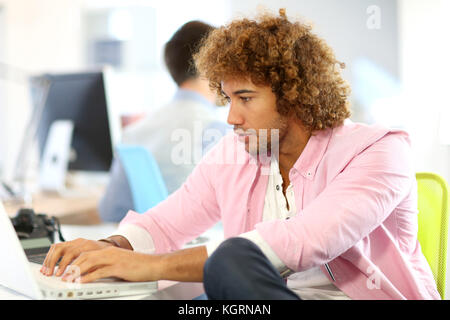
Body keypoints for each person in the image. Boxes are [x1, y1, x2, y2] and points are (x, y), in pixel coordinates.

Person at [40, 9, 440, 300]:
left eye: (246, 98)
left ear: (296, 96)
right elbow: (167, 222)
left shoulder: (380, 150)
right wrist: (111, 248)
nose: (231, 117)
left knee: (230, 261)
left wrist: (150, 266)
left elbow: (299, 243)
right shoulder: (237, 152)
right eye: (228, 98)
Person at [98, 20, 229, 222]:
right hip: (203, 249)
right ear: (210, 66)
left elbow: (111, 212)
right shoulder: (220, 132)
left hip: (148, 245)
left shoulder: (133, 132)